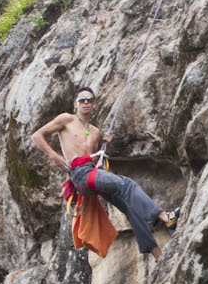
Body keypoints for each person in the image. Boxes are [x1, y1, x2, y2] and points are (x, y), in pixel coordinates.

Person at [32, 86, 176, 259]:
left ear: (94, 104)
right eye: (82, 100)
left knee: (130, 207)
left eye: (90, 100)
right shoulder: (67, 119)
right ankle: (164, 216)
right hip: (80, 174)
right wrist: (55, 156)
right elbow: (37, 136)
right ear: (75, 104)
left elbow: (94, 161)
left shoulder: (95, 132)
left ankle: (157, 255)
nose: (86, 102)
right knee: (127, 184)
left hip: (92, 173)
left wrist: (104, 145)